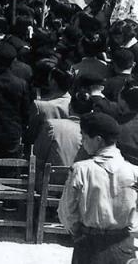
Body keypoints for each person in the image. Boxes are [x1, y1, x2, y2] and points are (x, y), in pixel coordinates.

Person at [59, 112, 138, 264]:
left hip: (89, 244)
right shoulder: (134, 171)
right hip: (123, 246)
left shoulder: (81, 170)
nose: (82, 142)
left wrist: (77, 233)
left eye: (84, 137)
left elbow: (67, 211)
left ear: (98, 140)